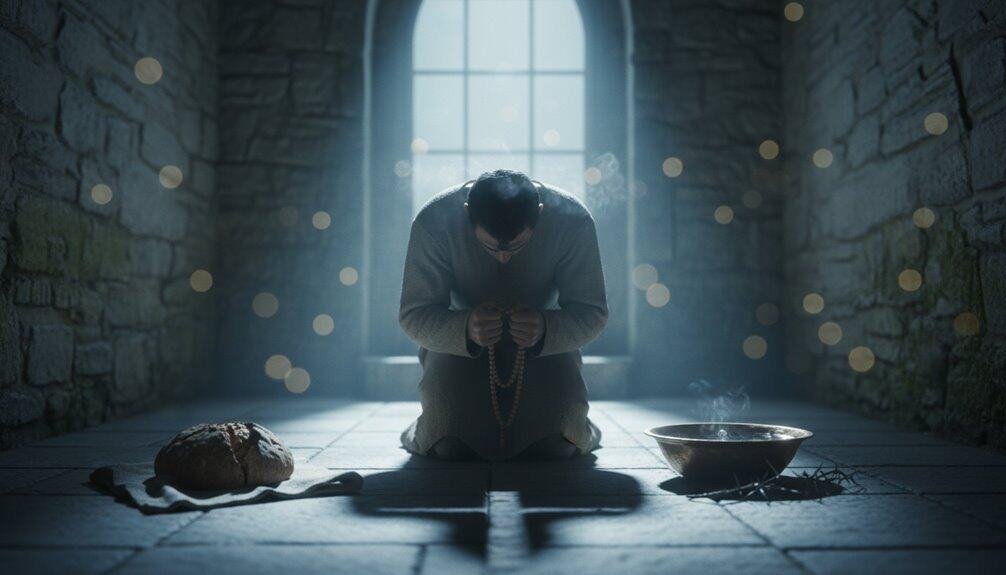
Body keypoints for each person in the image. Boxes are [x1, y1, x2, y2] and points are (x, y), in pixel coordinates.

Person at [398, 169, 608, 461]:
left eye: (517, 245)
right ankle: (422, 428)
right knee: (448, 445)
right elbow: (414, 314)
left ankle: (584, 428)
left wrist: (545, 328)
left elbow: (592, 312)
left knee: (558, 446)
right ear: (466, 212)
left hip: (545, 350)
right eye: (490, 246)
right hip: (457, 348)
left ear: (541, 212)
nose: (504, 257)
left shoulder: (574, 220)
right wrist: (466, 328)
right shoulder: (433, 221)